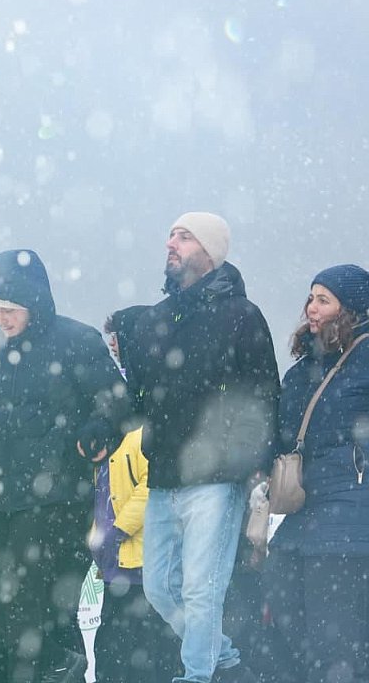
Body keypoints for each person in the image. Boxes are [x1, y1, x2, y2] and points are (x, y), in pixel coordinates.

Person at [0, 249, 131, 683]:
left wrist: (96, 430)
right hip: (2, 496)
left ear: (35, 304)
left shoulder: (76, 341)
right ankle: (57, 662)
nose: (3, 318)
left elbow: (115, 399)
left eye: (11, 309)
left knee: (40, 602)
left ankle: (55, 665)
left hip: (59, 496)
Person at [124, 213, 279, 683]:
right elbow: (137, 396)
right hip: (165, 474)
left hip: (218, 476)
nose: (171, 243)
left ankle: (197, 675)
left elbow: (265, 392)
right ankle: (226, 658)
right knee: (159, 590)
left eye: (184, 237)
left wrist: (252, 461)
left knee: (202, 590)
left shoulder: (241, 314)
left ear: (210, 251)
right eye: (170, 234)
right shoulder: (154, 318)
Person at [264, 264, 369, 683]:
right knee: (285, 613)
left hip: (350, 510)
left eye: (324, 300)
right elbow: (281, 434)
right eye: (310, 298)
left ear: (352, 309)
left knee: (336, 638)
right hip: (303, 510)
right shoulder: (303, 368)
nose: (312, 308)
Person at [89, 305, 179, 683]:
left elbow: (156, 479)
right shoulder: (118, 403)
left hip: (146, 560)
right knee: (111, 654)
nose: (113, 345)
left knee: (148, 656)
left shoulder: (156, 404)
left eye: (118, 337)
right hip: (117, 564)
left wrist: (119, 528)